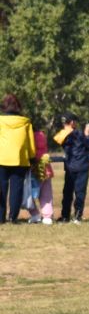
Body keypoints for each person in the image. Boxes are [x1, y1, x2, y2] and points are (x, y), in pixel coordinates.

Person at [0, 94, 33, 222]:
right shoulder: (26, 122)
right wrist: (32, 158)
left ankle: (0, 218)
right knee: (16, 189)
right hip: (20, 160)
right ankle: (13, 217)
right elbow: (30, 143)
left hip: (1, 159)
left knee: (1, 189)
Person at [56, 115, 89, 222]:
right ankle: (77, 216)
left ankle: (65, 216)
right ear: (72, 122)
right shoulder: (79, 134)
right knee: (80, 193)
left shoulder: (61, 135)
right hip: (82, 166)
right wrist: (87, 133)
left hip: (69, 167)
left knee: (67, 193)